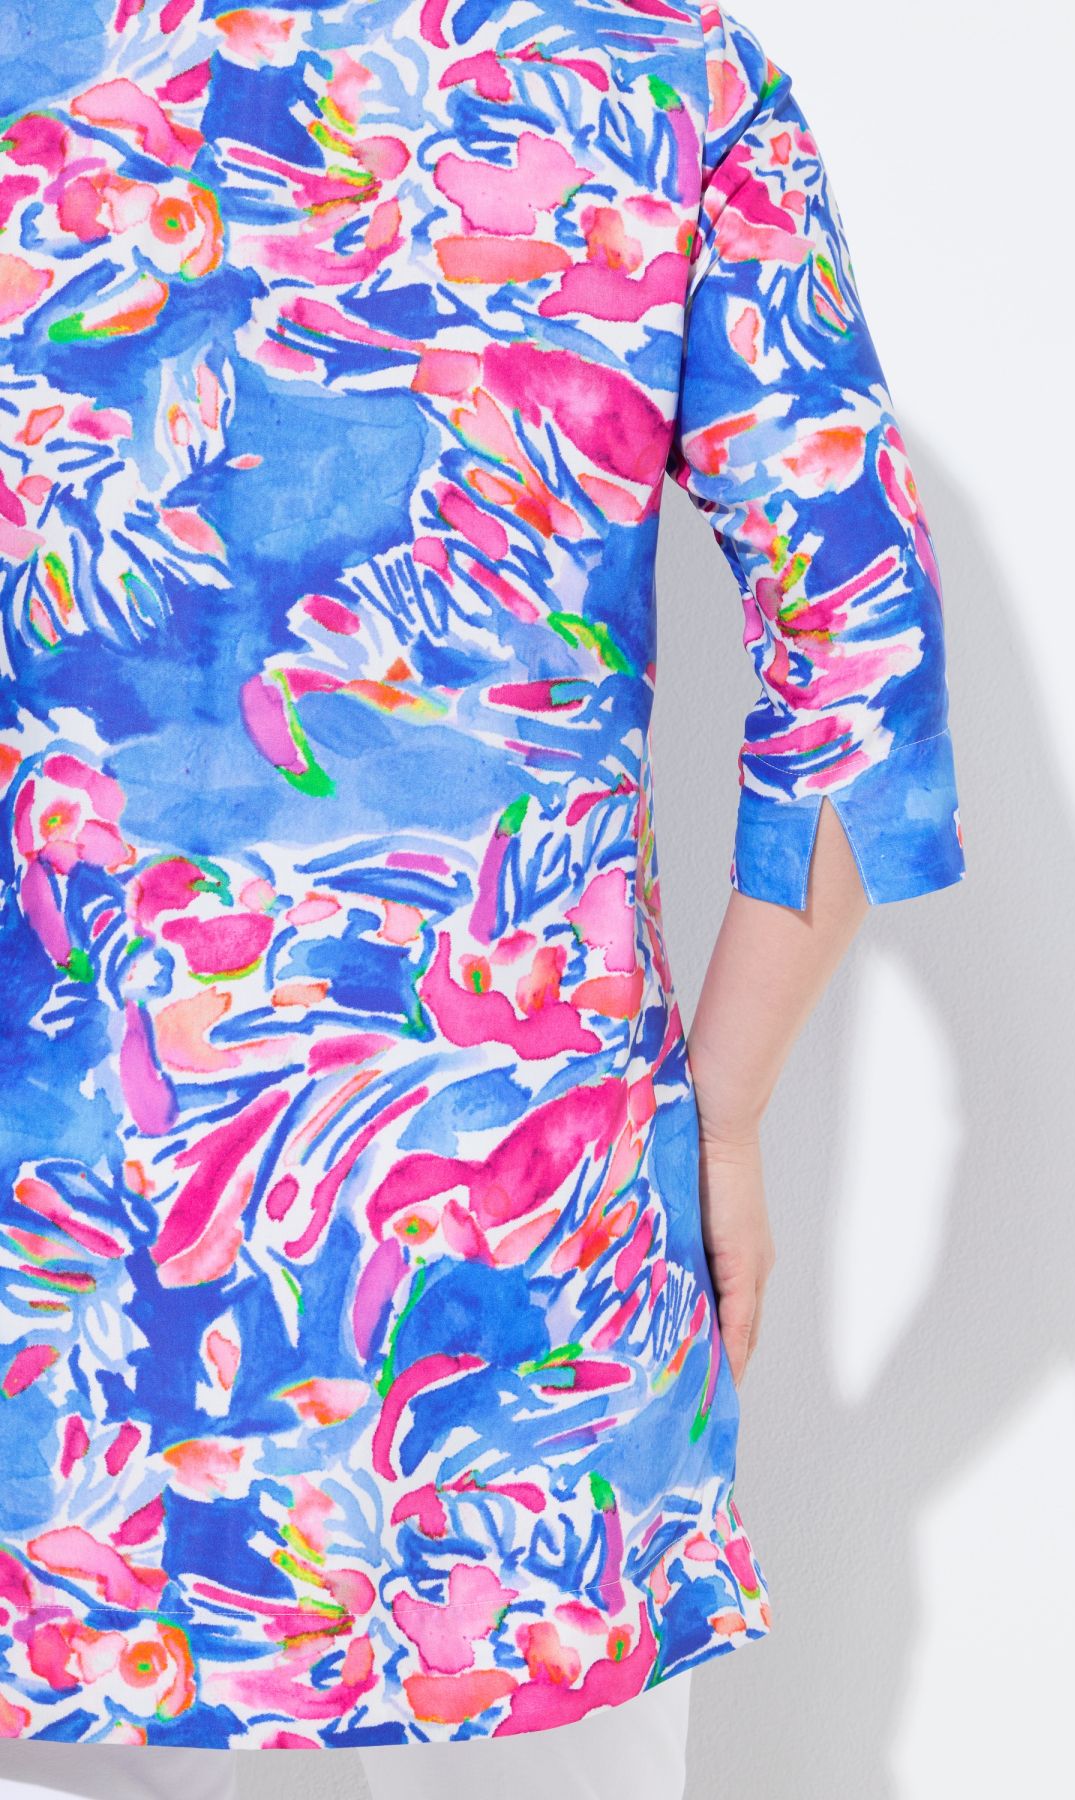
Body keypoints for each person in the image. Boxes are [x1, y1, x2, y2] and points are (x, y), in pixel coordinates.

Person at [0, 0, 966, 1794]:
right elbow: (864, 668)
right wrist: (725, 1109)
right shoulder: (664, 78)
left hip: (54, 1337)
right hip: (526, 1314)